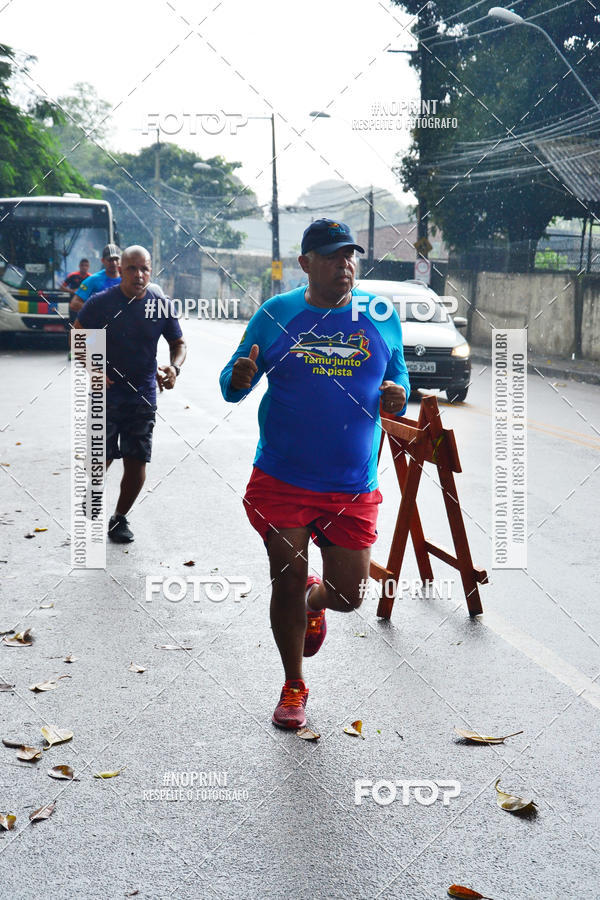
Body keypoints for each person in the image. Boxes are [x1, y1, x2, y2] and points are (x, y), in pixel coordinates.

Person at [219, 219, 410, 729]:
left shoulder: (379, 314)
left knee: (350, 597)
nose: (343, 264)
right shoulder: (276, 314)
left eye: (349, 254)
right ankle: (293, 683)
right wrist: (237, 378)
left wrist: (398, 392)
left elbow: (399, 375)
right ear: (305, 264)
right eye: (329, 256)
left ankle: (315, 598)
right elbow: (232, 385)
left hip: (351, 484)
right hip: (283, 478)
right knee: (284, 575)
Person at [74, 245, 186, 543]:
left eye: (145, 268)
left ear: (151, 270)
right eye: (133, 268)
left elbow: (179, 343)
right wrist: (92, 368)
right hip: (106, 394)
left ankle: (119, 518)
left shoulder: (160, 304)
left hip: (143, 395)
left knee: (137, 460)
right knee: (101, 457)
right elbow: (78, 336)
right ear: (120, 270)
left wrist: (174, 368)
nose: (139, 275)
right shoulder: (101, 303)